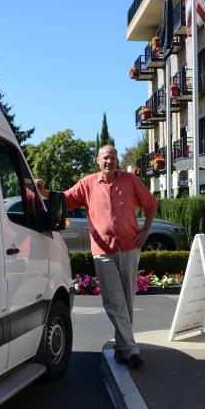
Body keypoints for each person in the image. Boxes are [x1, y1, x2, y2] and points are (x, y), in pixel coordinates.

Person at [64, 145, 158, 369]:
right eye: (106, 158)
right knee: (115, 302)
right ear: (98, 160)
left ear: (117, 161)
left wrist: (145, 232)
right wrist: (39, 192)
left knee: (126, 302)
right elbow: (64, 200)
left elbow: (151, 204)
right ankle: (132, 351)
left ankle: (121, 349)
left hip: (129, 248)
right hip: (103, 251)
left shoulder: (130, 181)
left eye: (113, 158)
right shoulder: (87, 183)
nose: (110, 161)